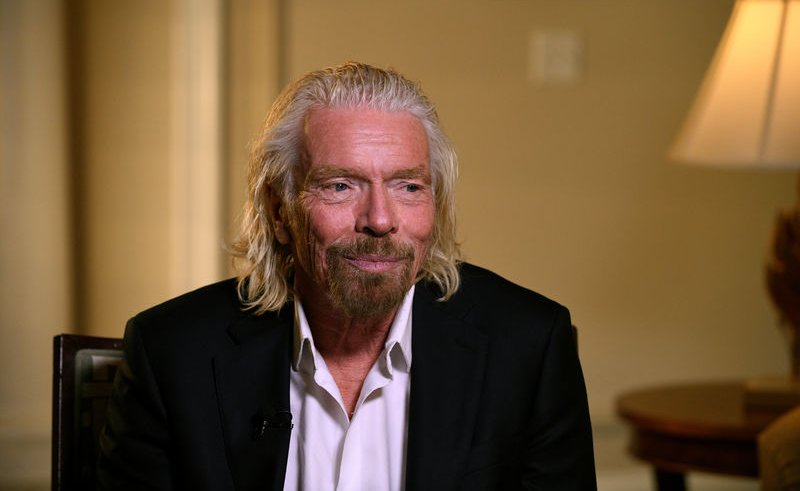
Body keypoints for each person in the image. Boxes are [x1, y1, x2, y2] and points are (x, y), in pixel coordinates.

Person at [97, 62, 596, 490]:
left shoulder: (528, 347)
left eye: (408, 186)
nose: (380, 219)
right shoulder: (171, 353)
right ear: (278, 212)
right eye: (340, 185)